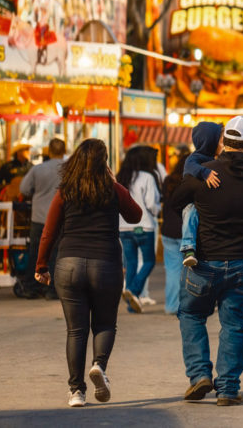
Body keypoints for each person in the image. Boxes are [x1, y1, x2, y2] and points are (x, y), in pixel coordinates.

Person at [170, 116, 243, 406]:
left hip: (203, 263)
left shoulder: (204, 172)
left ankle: (200, 375)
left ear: (224, 142)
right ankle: (228, 389)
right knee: (235, 325)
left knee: (191, 316)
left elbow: (177, 203)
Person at [34, 139, 142, 407]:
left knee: (76, 330)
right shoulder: (112, 190)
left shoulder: (65, 191)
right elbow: (136, 215)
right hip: (105, 264)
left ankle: (76, 392)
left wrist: (41, 265)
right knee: (105, 324)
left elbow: (49, 232)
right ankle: (99, 366)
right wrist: (116, 183)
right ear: (103, 162)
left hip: (69, 265)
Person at [17, 138, 66, 300]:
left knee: (37, 254)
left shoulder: (38, 169)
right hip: (60, 218)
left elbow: (24, 188)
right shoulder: (70, 169)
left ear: (49, 152)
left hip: (39, 218)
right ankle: (52, 290)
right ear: (64, 151)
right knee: (57, 254)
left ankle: (32, 287)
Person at [115, 146, 161, 314]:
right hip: (144, 226)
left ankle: (131, 303)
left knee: (131, 262)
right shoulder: (147, 177)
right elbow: (151, 204)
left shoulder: (121, 177)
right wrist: (157, 209)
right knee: (149, 261)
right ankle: (133, 291)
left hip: (124, 227)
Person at [178, 122, 224, 267]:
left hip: (210, 201)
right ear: (209, 142)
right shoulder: (195, 158)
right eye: (220, 141)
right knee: (190, 213)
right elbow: (190, 167)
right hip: (195, 202)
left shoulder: (217, 159)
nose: (223, 144)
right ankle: (188, 248)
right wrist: (205, 172)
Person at [160, 156, 187, 315]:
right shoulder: (191, 181)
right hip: (185, 231)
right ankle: (186, 304)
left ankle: (171, 305)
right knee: (189, 271)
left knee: (172, 270)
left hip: (168, 230)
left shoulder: (168, 180)